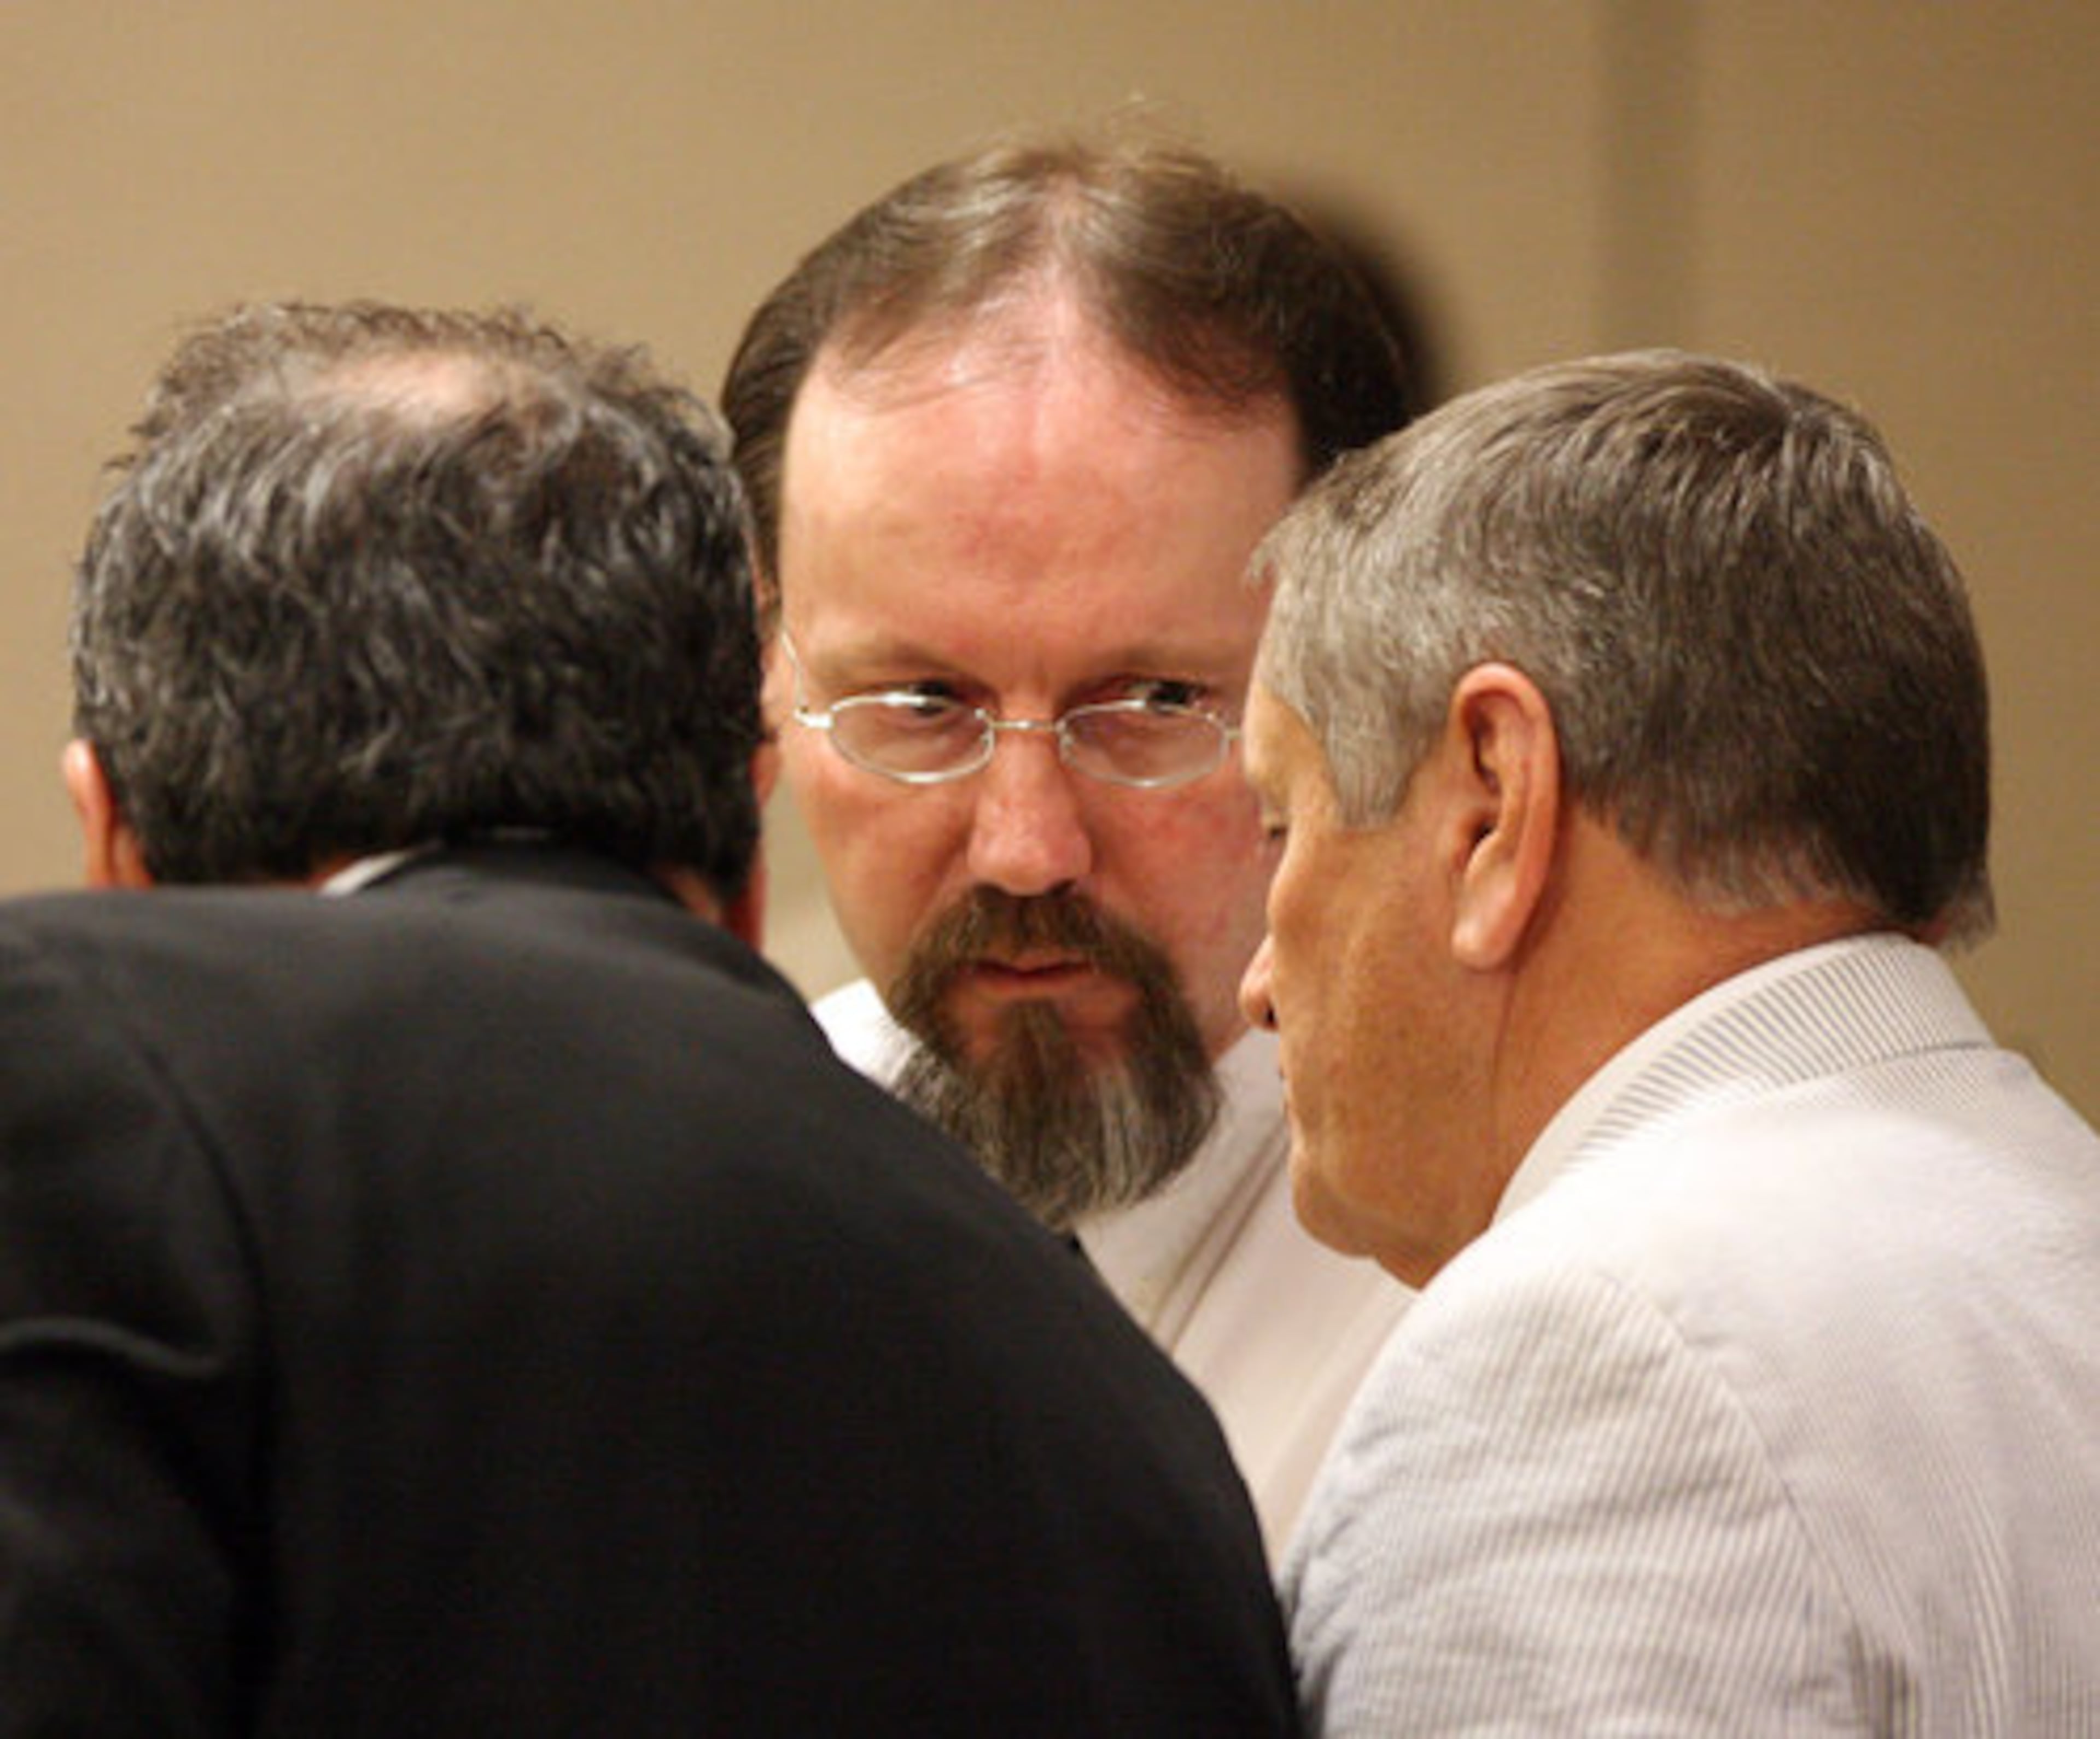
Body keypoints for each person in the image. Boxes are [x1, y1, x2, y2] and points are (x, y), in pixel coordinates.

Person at [0, 301, 1302, 1736]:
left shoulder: (75, 1062)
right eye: (928, 699)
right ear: (747, 867)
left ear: (115, 847)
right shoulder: (1143, 1438)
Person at [1239, 349, 2100, 1730]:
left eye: (1284, 824)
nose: (1258, 984)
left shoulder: (1581, 1354)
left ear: (1490, 811)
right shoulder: (2058, 1221)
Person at [721, 130, 1418, 1553]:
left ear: (1355, 679)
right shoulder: (702, 1210)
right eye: (918, 703)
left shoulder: (1494, 1280)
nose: (1026, 848)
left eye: (1153, 702)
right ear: (768, 684)